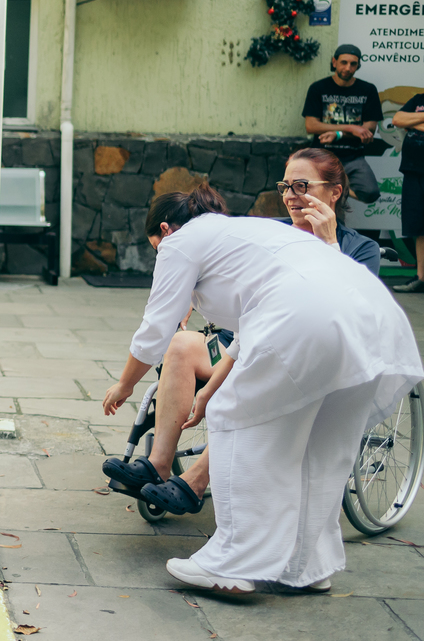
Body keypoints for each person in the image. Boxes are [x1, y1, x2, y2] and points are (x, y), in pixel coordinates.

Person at [102, 183, 420, 594]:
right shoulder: (249, 235)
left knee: (235, 419)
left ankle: (232, 565)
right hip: (368, 315)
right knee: (320, 446)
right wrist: (208, 388)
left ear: (165, 230)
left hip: (305, 316)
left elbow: (155, 329)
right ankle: (306, 566)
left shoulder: (180, 243)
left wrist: (125, 383)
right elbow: (253, 324)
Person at [104, 149, 381, 513]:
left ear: (335, 192)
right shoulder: (270, 233)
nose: (291, 196)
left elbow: (354, 313)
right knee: (184, 344)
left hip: (308, 355)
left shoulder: (361, 249)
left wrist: (328, 243)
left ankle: (196, 479)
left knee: (254, 373)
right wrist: (185, 298)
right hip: (244, 339)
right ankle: (158, 463)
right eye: (285, 186)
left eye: (302, 185)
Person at [302, 44, 383, 205]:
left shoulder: (367, 90)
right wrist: (350, 128)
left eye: (353, 64)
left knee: (370, 193)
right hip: (322, 156)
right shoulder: (318, 88)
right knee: (321, 200)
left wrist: (337, 134)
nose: (348, 68)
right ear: (334, 62)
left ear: (358, 65)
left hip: (354, 156)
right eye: (344, 62)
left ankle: (339, 188)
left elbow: (368, 130)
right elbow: (311, 125)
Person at [391, 92, 424, 293]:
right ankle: (422, 277)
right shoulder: (419, 99)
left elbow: (405, 121)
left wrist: (411, 122)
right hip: (413, 170)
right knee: (419, 226)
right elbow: (397, 119)